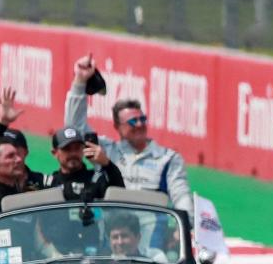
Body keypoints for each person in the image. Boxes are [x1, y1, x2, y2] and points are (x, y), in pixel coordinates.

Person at [65, 53, 191, 214]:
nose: (139, 125)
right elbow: (73, 130)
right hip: (114, 233)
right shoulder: (107, 152)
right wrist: (80, 81)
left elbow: (182, 197)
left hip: (151, 234)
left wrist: (188, 226)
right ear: (117, 126)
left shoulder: (168, 159)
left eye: (142, 119)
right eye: (132, 121)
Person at [44, 125, 125, 200]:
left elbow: (120, 196)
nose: (73, 153)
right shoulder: (49, 184)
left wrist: (107, 164)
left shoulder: (96, 180)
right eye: (67, 149)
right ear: (54, 153)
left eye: (77, 148)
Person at [105, 211, 169, 262]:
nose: (120, 242)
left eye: (124, 236)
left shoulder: (155, 257)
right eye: (115, 237)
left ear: (138, 237)